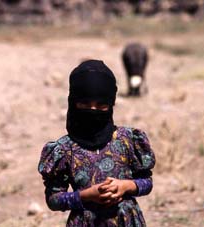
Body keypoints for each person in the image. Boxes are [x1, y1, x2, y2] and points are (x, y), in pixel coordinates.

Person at [38, 59, 155, 226]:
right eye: (85, 104)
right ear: (73, 102)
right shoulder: (63, 150)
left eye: (101, 105)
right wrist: (87, 195)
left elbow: (147, 183)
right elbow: (53, 200)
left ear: (111, 104)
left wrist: (126, 186)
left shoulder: (128, 140)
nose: (93, 110)